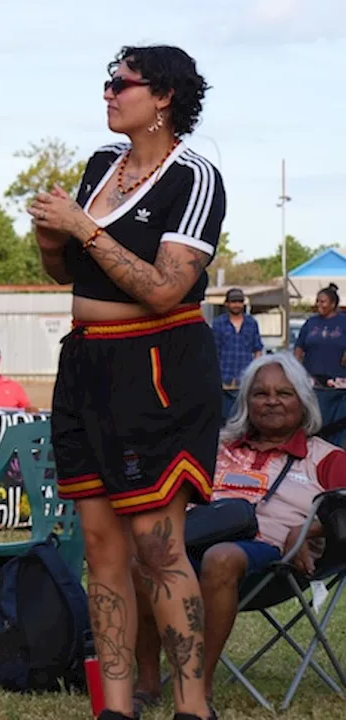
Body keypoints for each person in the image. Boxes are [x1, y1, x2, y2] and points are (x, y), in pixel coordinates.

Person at [29, 45, 225, 720]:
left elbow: (168, 289)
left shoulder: (194, 177)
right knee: (101, 547)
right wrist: (53, 237)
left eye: (122, 83)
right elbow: (67, 276)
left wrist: (84, 228)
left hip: (156, 365)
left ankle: (192, 706)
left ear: (163, 95)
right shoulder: (97, 168)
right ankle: (115, 708)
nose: (108, 94)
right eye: (107, 83)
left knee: (157, 546)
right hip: (84, 364)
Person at [131, 353, 346, 716]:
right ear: (246, 401)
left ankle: (200, 685)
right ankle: (148, 682)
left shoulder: (324, 457)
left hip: (272, 562)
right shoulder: (217, 447)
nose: (272, 400)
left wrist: (308, 527)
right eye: (260, 393)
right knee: (142, 559)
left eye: (284, 393)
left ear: (303, 401)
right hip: (191, 546)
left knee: (223, 557)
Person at [294, 284, 346, 447]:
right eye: (317, 301)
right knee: (314, 417)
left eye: (323, 302)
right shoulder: (311, 322)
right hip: (312, 379)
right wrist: (295, 370)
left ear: (333, 304)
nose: (319, 305)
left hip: (338, 381)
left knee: (336, 420)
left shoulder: (343, 321)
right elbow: (299, 347)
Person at [212, 288, 263, 389]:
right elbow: (213, 352)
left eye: (240, 302)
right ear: (227, 304)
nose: (237, 305)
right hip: (223, 380)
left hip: (246, 380)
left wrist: (255, 372)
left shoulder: (251, 323)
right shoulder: (218, 323)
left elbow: (257, 349)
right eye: (233, 302)